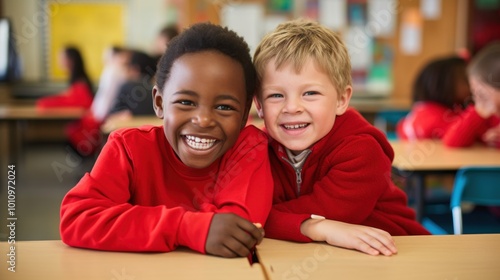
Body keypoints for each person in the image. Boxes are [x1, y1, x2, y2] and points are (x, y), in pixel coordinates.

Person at [60, 22, 273, 258]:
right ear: (159, 103)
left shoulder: (248, 148)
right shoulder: (129, 148)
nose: (203, 120)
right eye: (186, 102)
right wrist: (185, 228)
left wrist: (137, 225)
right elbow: (78, 218)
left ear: (245, 115)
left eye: (224, 107)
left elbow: (236, 230)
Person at [253, 19, 429, 256]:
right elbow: (243, 218)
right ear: (259, 105)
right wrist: (317, 227)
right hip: (311, 255)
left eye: (310, 93)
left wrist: (311, 225)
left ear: (341, 100)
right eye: (276, 95)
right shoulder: (256, 150)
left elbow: (255, 220)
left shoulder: (362, 150)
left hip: (398, 256)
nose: (291, 107)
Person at [396, 56, 471, 140]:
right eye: (466, 79)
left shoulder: (425, 109)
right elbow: (462, 137)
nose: (473, 84)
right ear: (443, 86)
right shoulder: (435, 117)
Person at [443, 42, 500, 148]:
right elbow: (452, 141)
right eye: (474, 94)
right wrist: (478, 111)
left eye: (482, 95)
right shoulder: (487, 115)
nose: (476, 100)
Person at [108, 50, 157, 116]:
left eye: (127, 65)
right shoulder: (157, 89)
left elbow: (111, 116)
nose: (125, 70)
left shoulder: (127, 87)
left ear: (135, 69)